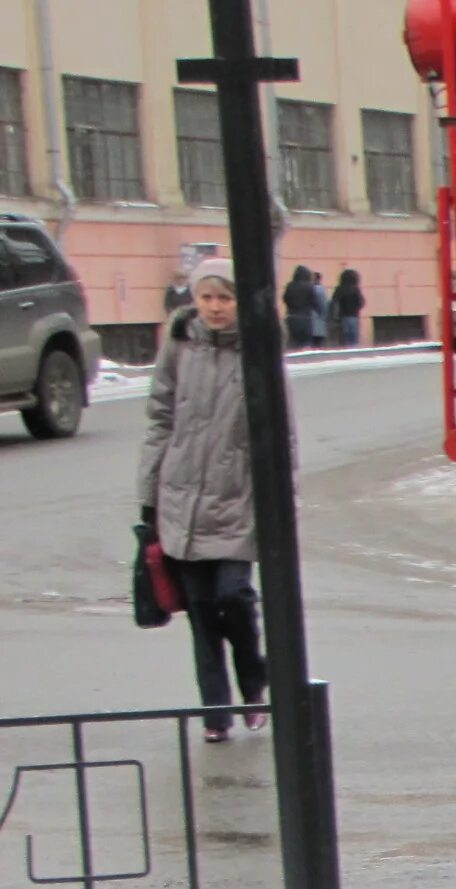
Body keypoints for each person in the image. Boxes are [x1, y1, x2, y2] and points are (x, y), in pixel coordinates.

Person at [139, 258, 285, 746]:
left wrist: (283, 500)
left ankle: (254, 682)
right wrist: (148, 496)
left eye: (225, 297)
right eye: (207, 297)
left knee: (233, 597)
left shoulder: (258, 349)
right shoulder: (180, 346)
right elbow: (159, 418)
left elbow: (280, 434)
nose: (215, 307)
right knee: (202, 612)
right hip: (181, 498)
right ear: (195, 300)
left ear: (240, 302)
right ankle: (216, 713)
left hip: (237, 498)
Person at [282, 266, 321, 351]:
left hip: (292, 317)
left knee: (294, 342)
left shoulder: (290, 285)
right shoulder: (309, 287)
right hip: (305, 318)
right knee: (306, 343)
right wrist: (319, 312)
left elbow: (285, 298)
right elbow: (315, 302)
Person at [328, 268, 365, 348]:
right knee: (354, 339)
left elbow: (334, 302)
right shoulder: (356, 289)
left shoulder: (339, 289)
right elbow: (362, 303)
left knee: (345, 339)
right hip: (354, 316)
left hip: (343, 317)